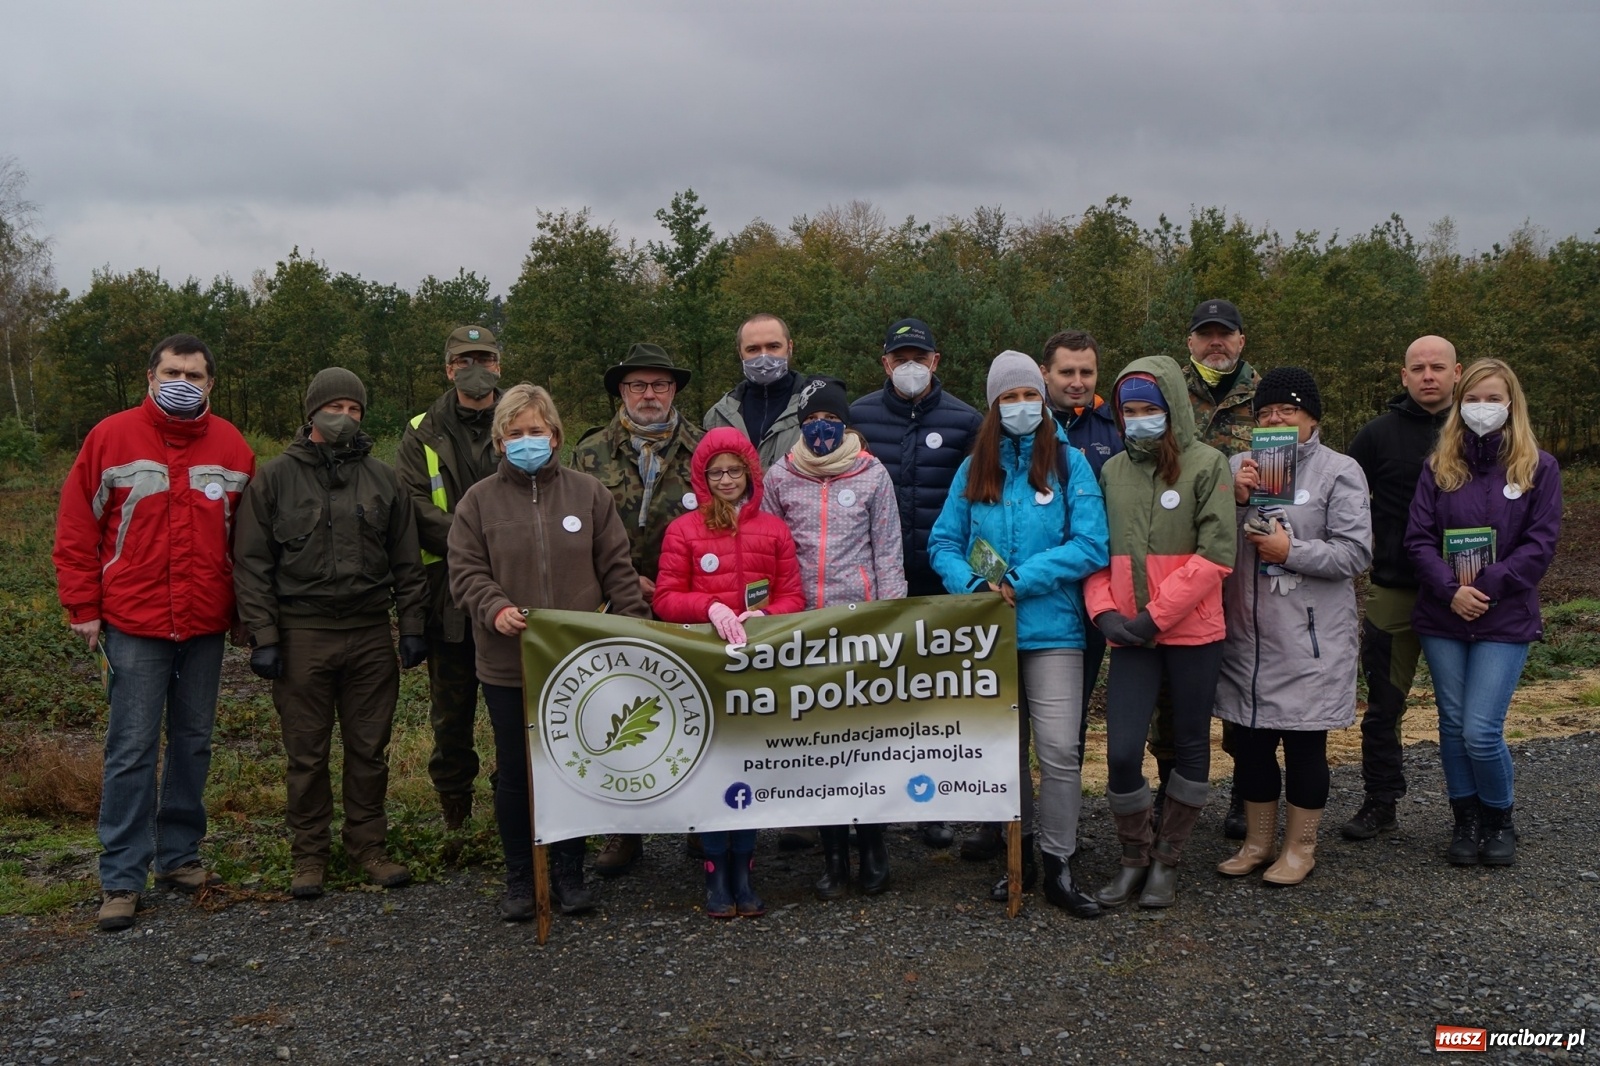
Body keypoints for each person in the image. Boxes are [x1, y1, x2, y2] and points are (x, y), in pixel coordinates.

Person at [54, 334, 255, 933]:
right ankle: (121, 877)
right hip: (133, 621)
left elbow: (248, 542)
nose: (183, 383)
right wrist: (82, 605)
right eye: (173, 372)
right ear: (149, 376)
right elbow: (76, 526)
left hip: (203, 623)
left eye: (195, 376)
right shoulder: (110, 438)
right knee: (132, 749)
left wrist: (247, 613)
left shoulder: (232, 446)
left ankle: (179, 857)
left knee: (193, 743)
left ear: (210, 385)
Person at [448, 383, 649, 920]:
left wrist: (637, 629)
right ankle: (520, 875)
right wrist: (494, 607)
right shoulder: (478, 502)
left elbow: (618, 571)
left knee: (575, 767)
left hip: (579, 667)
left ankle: (568, 871)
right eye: (514, 433)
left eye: (535, 431)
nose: (526, 441)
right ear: (499, 442)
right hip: (508, 664)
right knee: (517, 772)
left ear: (555, 436)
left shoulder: (588, 494)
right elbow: (465, 571)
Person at [233, 368, 428, 900]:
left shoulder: (384, 479)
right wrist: (265, 636)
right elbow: (251, 564)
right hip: (302, 637)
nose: (345, 418)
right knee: (306, 754)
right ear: (312, 413)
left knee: (370, 750)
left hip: (369, 634)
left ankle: (369, 847)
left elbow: (407, 561)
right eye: (336, 407)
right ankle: (309, 854)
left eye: (356, 410)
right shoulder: (272, 479)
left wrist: (411, 628)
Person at [928, 352, 1110, 917]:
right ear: (993, 405)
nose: (1022, 406)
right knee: (1007, 754)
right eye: (1009, 398)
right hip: (992, 636)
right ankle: (1020, 853)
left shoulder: (1070, 464)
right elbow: (943, 542)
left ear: (1043, 399)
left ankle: (1058, 860)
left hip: (1053, 628)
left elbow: (1090, 543)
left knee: (1058, 750)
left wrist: (1020, 580)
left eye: (1030, 395)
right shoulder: (974, 468)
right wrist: (973, 583)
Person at [1087, 355, 1234, 910]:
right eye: (1131, 411)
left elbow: (1217, 553)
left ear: (1172, 410)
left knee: (1191, 744)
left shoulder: (1207, 464)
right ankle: (1133, 856)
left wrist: (1156, 616)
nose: (1141, 419)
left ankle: (1167, 860)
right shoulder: (1112, 472)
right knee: (1122, 751)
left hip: (1191, 633)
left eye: (1151, 409)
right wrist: (1105, 612)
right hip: (1129, 635)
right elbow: (1098, 553)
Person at [1214, 368, 1372, 886]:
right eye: (1265, 413)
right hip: (1248, 637)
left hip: (1310, 638)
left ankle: (1300, 848)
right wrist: (1233, 501)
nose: (1275, 419)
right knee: (1252, 745)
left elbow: (1355, 552)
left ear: (1312, 418)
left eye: (1288, 410)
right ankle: (1258, 842)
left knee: (1305, 746)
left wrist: (1292, 551)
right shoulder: (1239, 466)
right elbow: (1210, 539)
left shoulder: (1339, 470)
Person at [1404, 358, 1560, 867]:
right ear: (1459, 404)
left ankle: (1498, 817)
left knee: (1481, 729)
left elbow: (1540, 545)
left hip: (1505, 616)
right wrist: (1451, 590)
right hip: (1443, 614)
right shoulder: (1438, 467)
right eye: (1473, 399)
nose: (1482, 408)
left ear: (1511, 404)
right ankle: (1464, 818)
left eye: (1493, 399)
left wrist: (1485, 587)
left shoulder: (1539, 468)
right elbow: (1418, 539)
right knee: (1451, 724)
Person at [763, 377, 906, 898]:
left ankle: (874, 850)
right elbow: (773, 553)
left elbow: (888, 551)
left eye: (830, 420)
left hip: (861, 628)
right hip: (804, 629)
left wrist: (888, 624)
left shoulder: (872, 475)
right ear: (800, 426)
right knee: (820, 749)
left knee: (863, 747)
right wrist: (778, 619)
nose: (820, 430)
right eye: (811, 422)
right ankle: (833, 857)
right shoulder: (780, 478)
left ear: (845, 424)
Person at [654, 427, 805, 918]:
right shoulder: (684, 530)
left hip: (758, 671)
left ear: (749, 474)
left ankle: (746, 868)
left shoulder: (773, 530)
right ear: (702, 476)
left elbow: (792, 596)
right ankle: (716, 872)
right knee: (712, 770)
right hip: (706, 671)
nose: (725, 479)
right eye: (715, 472)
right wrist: (712, 607)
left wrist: (767, 618)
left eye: (733, 470)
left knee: (750, 768)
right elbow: (665, 598)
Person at [849, 316, 983, 851]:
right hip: (875, 580)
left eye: (918, 357)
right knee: (877, 696)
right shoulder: (857, 416)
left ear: (935, 361)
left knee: (934, 699)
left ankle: (935, 807)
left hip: (938, 580)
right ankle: (870, 808)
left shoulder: (966, 419)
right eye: (899, 357)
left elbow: (981, 505)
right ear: (885, 362)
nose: (910, 366)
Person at [572, 342, 705, 876]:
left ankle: (699, 824)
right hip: (617, 603)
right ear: (621, 392)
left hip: (691, 603)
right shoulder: (589, 453)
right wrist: (626, 582)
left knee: (695, 712)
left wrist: (675, 583)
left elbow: (723, 525)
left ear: (674, 391)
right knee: (622, 717)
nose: (649, 395)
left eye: (660, 385)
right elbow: (577, 535)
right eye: (637, 386)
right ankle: (624, 831)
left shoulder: (704, 451)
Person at [1338, 336, 1461, 840]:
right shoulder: (1376, 436)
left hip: (1464, 593)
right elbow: (1340, 497)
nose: (1428, 375)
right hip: (1395, 589)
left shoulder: (1477, 431)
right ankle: (1380, 801)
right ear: (1403, 376)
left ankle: (1471, 811)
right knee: (1384, 706)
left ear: (1458, 372)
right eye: (1418, 368)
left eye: (1438, 367)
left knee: (1462, 712)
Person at [395, 325, 504, 843]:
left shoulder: (522, 418)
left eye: (483, 357)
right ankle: (455, 820)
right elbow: (412, 505)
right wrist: (478, 538)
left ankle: (516, 812)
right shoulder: (420, 430)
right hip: (449, 596)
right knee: (451, 718)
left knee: (516, 715)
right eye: (464, 359)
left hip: (515, 591)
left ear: (498, 365)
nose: (474, 366)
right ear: (448, 368)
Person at [1175, 299, 1261, 840]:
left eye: (1224, 334)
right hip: (1178, 557)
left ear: (1240, 339)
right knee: (1175, 689)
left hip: (1249, 559)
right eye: (1205, 335)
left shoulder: (1269, 397)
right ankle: (1172, 790)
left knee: (1241, 674)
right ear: (1190, 343)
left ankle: (1243, 789)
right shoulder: (1167, 392)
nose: (1215, 343)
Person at [1041, 329, 1125, 773]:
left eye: (1086, 371)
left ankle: (1064, 820)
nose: (1077, 381)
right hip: (1029, 588)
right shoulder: (1018, 426)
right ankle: (1002, 824)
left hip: (1092, 588)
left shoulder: (1116, 430)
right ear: (1045, 374)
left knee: (1070, 708)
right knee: (1007, 708)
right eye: (1067, 371)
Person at [703, 313, 809, 469]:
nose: (764, 356)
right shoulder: (718, 417)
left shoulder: (815, 406)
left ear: (789, 347)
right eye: (753, 349)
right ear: (740, 353)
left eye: (773, 347)